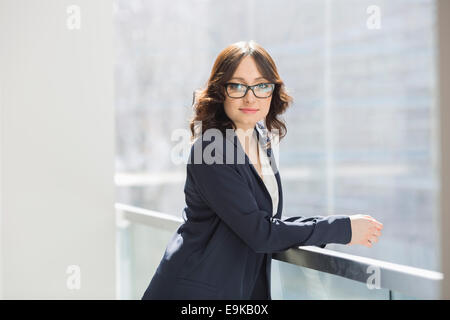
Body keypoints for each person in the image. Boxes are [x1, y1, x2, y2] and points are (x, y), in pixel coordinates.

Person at [141, 40, 383, 300]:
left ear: (272, 91)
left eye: (261, 86)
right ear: (221, 91)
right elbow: (260, 233)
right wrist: (341, 229)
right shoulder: (210, 150)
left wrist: (340, 224)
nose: (250, 97)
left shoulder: (259, 137)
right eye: (237, 86)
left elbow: (263, 222)